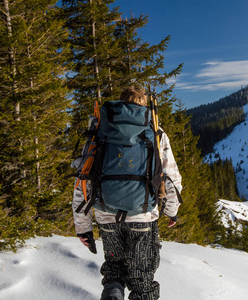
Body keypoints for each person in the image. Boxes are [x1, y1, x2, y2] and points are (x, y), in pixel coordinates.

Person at [72, 86, 182, 300]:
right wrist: (171, 210)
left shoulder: (100, 131)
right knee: (142, 279)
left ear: (121, 104)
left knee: (114, 269)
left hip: (106, 215)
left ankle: (113, 294)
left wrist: (83, 228)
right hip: (143, 216)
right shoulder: (155, 132)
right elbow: (172, 178)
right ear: (142, 107)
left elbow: (82, 181)